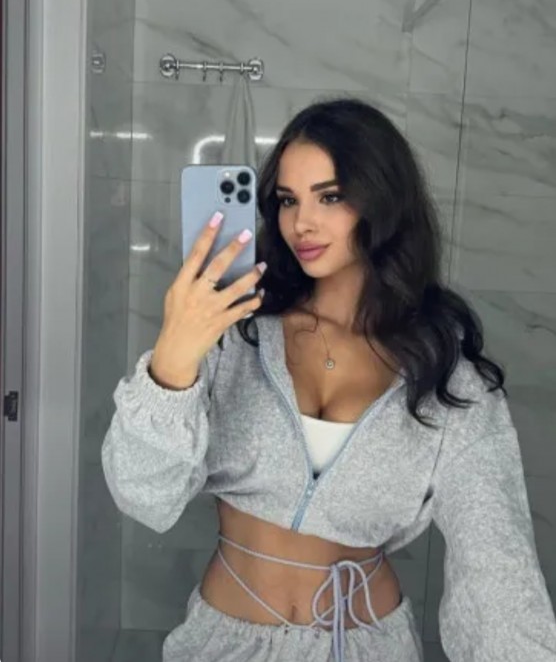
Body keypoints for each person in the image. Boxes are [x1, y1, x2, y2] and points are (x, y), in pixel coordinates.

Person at [101, 98, 556, 662]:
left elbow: (497, 566)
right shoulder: (235, 337)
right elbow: (142, 495)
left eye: (331, 196)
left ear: (382, 201)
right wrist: (172, 359)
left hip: (369, 647)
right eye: (288, 200)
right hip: (225, 643)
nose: (302, 223)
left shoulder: (446, 379)